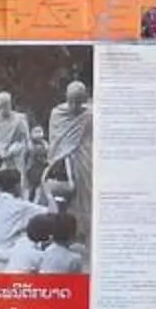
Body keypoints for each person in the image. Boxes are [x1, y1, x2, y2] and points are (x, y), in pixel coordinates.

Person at [46, 76, 93, 226]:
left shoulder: (89, 115)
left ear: (84, 100)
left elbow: (91, 139)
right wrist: (62, 156)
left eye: (78, 101)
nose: (74, 105)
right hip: (61, 164)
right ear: (66, 98)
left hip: (83, 160)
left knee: (84, 196)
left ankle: (82, 226)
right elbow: (55, 140)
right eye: (71, 101)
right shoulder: (57, 114)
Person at [0, 165, 33, 270]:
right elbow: (51, 213)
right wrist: (48, 192)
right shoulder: (20, 206)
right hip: (3, 262)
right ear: (17, 185)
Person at [0, 89, 32, 194]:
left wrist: (16, 149)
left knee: (17, 169)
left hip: (15, 155)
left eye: (6, 105)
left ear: (10, 104)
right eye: (1, 105)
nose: (3, 108)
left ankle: (19, 194)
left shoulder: (19, 119)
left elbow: (26, 140)